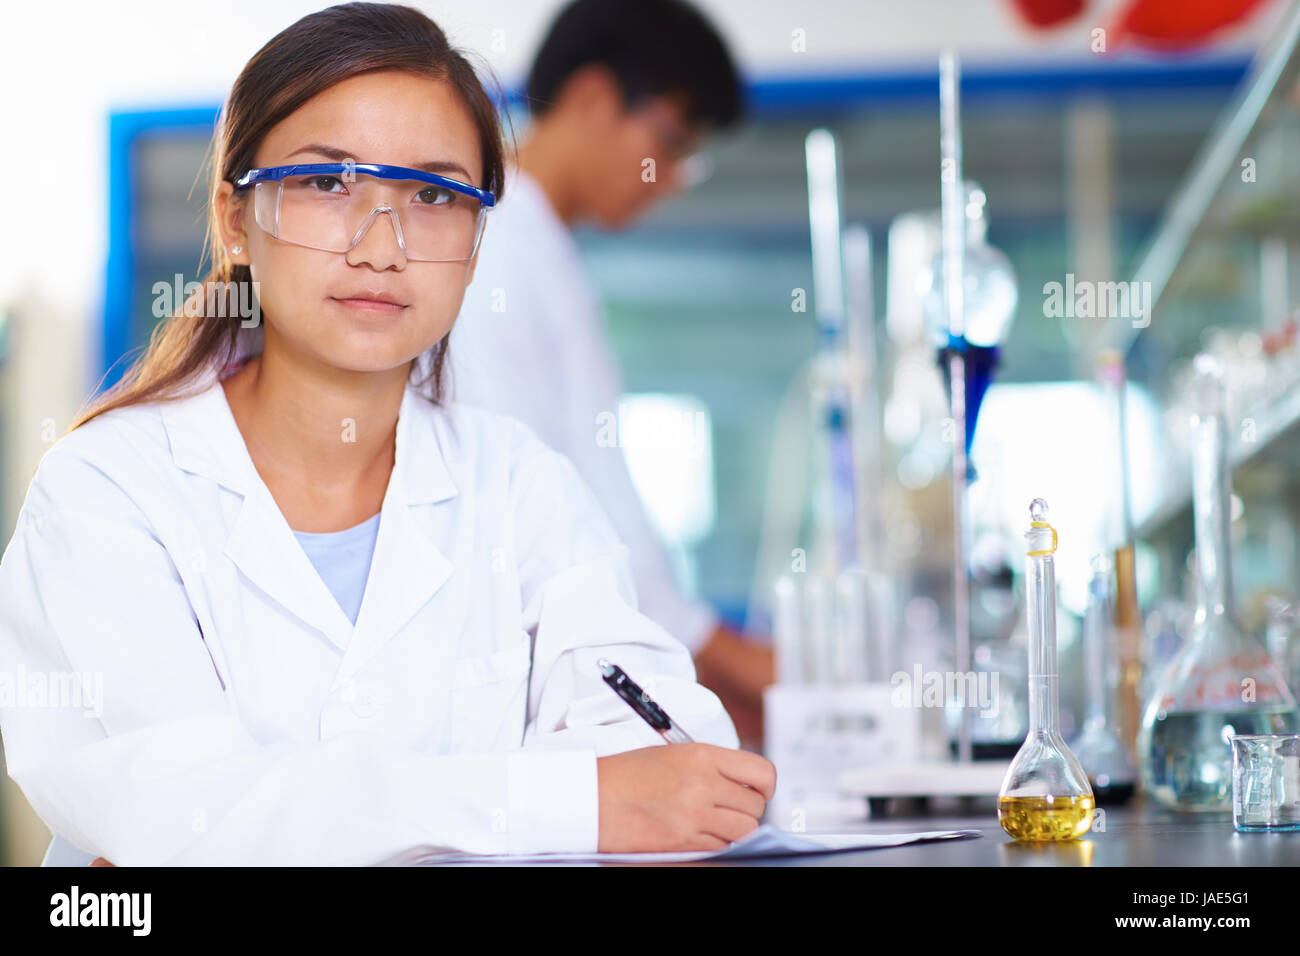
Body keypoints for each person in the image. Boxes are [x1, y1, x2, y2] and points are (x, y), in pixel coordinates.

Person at [0, 1, 774, 867]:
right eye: (329, 183)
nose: (383, 244)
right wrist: (563, 799)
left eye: (434, 194)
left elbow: (668, 766)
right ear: (232, 221)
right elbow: (188, 818)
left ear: (477, 243)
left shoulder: (520, 485)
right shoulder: (106, 491)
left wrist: (315, 809)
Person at [449, 0, 774, 748]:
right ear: (593, 97)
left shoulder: (545, 250)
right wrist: (721, 655)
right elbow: (541, 493)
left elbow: (596, 482)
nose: (670, 178)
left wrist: (715, 659)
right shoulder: (491, 250)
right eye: (670, 141)